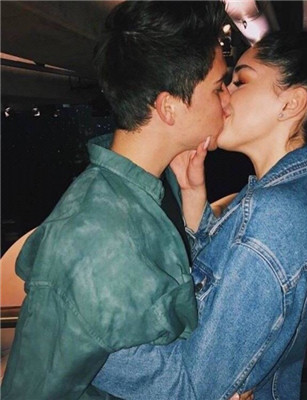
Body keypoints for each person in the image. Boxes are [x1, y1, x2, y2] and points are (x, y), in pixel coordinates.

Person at [93, 20, 307, 400]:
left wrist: (83, 343)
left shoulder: (276, 218)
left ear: (291, 104)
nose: (224, 96)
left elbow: (192, 386)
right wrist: (194, 197)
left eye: (240, 81)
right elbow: (217, 288)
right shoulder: (282, 199)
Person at [2, 1, 231, 399]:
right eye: (218, 87)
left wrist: (193, 198)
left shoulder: (160, 185)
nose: (228, 100)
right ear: (169, 107)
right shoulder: (89, 239)